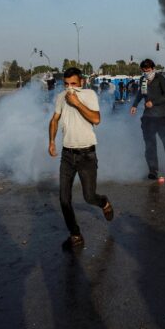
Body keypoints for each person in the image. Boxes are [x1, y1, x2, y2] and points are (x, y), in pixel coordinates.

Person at [48, 67, 114, 250]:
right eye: (67, 84)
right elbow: (54, 119)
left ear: (81, 82)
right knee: (63, 199)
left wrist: (76, 102)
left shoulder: (88, 94)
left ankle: (104, 202)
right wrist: (51, 141)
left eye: (74, 84)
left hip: (87, 155)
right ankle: (75, 234)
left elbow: (96, 119)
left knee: (89, 196)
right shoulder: (61, 97)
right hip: (67, 155)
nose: (70, 88)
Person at [130, 58, 165, 179]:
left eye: (148, 70)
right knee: (150, 144)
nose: (146, 72)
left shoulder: (160, 79)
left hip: (162, 117)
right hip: (148, 117)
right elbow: (141, 93)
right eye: (144, 70)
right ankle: (153, 170)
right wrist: (134, 105)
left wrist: (153, 102)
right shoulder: (143, 79)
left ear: (153, 69)